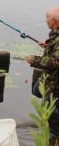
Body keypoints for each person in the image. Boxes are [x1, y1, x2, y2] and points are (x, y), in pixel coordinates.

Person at [26, 7, 59, 139]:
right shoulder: (55, 34)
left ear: (53, 20)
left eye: (47, 18)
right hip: (48, 79)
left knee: (52, 111)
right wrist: (48, 44)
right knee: (36, 90)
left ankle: (53, 136)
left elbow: (56, 62)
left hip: (55, 83)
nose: (45, 20)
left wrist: (35, 60)